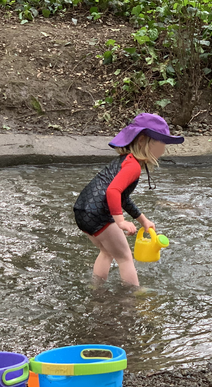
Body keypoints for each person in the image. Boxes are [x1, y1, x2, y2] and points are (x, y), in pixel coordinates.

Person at [74, 113, 184, 286]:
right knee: (125, 258)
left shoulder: (125, 161)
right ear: (142, 141)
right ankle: (133, 297)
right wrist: (121, 221)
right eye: (161, 142)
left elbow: (122, 197)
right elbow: (113, 192)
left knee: (107, 252)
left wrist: (143, 220)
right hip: (99, 213)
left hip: (82, 210)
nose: (164, 149)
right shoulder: (133, 166)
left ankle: (97, 291)